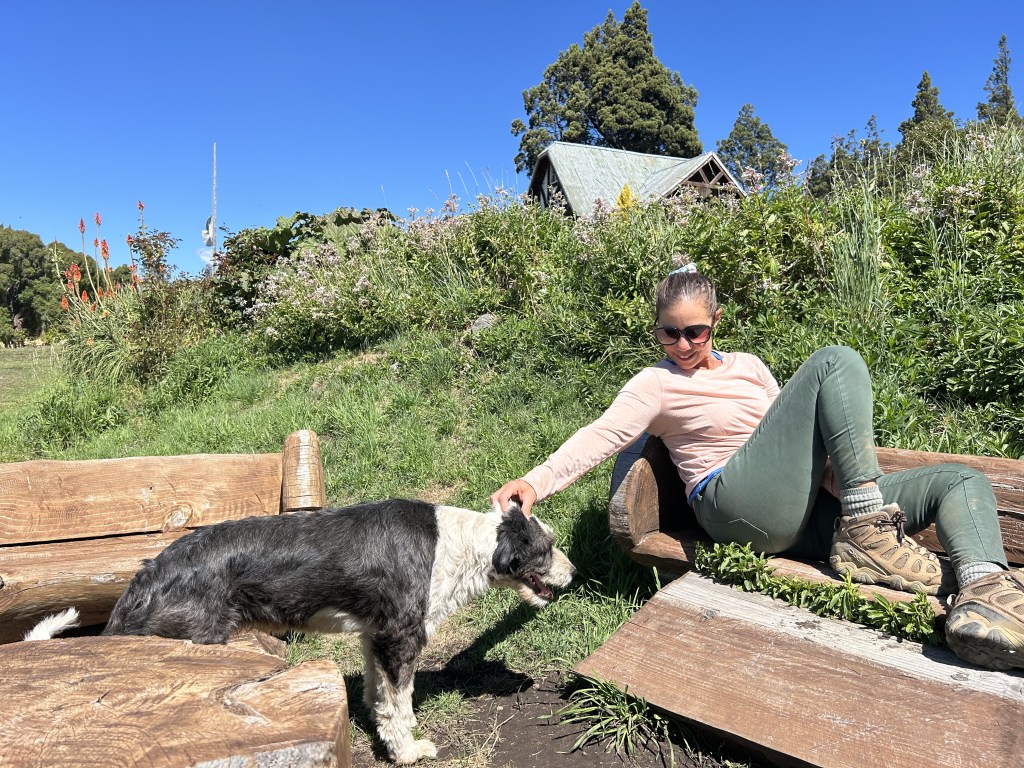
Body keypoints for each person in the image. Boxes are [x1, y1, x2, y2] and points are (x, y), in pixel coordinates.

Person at [492, 263, 1024, 672]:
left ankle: (984, 602)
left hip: (796, 507)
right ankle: (867, 527)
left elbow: (794, 438)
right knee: (836, 361)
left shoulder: (749, 368)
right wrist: (535, 481)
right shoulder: (655, 383)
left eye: (695, 332)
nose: (682, 345)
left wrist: (841, 483)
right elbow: (602, 435)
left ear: (716, 322)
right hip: (728, 503)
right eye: (668, 334)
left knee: (961, 479)